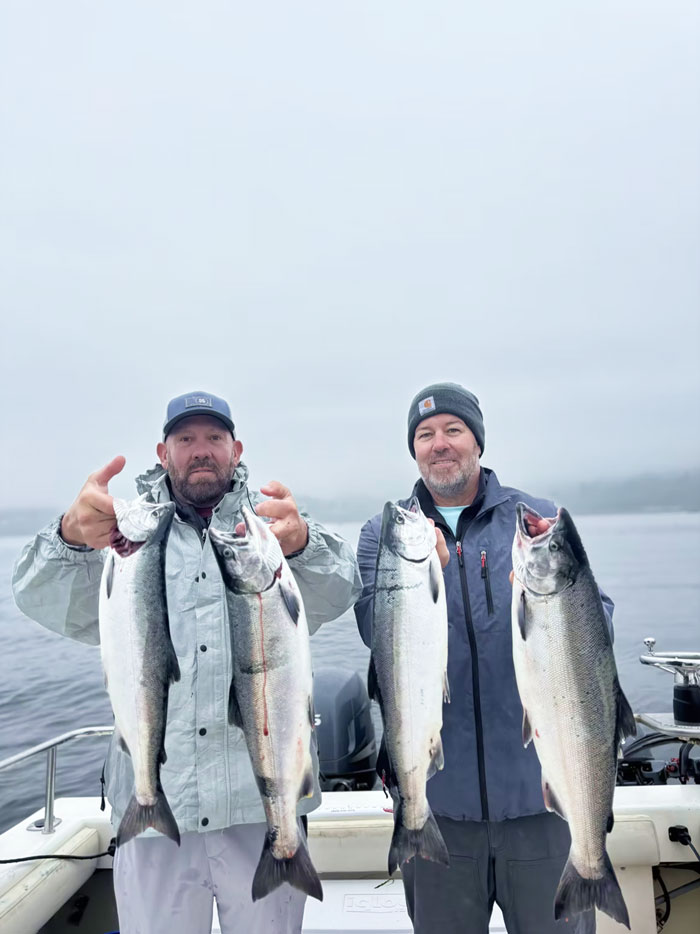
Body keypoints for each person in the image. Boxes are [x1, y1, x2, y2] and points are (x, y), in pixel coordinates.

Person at [13, 390, 362, 934]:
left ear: (236, 449)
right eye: (186, 439)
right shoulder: (120, 538)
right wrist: (68, 536)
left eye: (214, 438)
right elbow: (37, 596)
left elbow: (340, 588)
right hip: (155, 819)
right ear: (162, 452)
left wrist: (303, 544)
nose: (201, 450)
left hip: (258, 808)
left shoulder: (267, 532)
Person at [354, 382, 611, 933]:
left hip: (539, 804)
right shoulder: (386, 532)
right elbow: (375, 630)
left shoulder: (536, 520)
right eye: (424, 435)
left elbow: (599, 622)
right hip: (439, 811)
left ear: (478, 441)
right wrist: (433, 569)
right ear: (413, 449)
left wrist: (555, 601)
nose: (438, 444)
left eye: (453, 430)